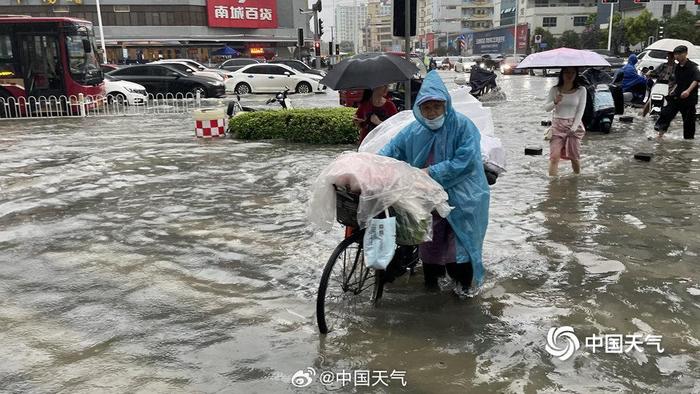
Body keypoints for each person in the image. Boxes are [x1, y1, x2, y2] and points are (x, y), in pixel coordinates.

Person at [378, 71, 490, 298]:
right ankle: (432, 289)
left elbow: (466, 162)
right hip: (427, 196)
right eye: (426, 108)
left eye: (436, 107)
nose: (431, 113)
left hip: (463, 198)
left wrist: (432, 171)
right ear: (419, 108)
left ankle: (464, 291)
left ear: (446, 105)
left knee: (460, 246)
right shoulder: (414, 130)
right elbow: (391, 150)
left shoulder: (463, 127)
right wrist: (373, 166)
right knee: (430, 243)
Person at [543, 67, 587, 176]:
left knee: (574, 157)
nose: (569, 75)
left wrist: (574, 127)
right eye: (567, 72)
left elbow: (580, 111)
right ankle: (552, 187)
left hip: (573, 126)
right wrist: (555, 101)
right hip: (557, 125)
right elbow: (547, 108)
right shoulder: (555, 90)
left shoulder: (581, 90)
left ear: (576, 74)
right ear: (562, 74)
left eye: (573, 72)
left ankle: (575, 180)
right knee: (554, 157)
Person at [654, 45, 700, 140]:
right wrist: (673, 90)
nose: (676, 56)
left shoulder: (693, 67)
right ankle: (660, 134)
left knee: (688, 121)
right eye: (675, 54)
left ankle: (688, 142)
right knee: (666, 113)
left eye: (679, 54)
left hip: (689, 98)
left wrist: (688, 91)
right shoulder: (678, 67)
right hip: (677, 96)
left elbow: (696, 80)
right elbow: (677, 81)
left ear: (685, 54)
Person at [642, 52, 676, 117]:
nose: (668, 59)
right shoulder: (663, 65)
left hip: (670, 86)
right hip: (659, 85)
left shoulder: (677, 68)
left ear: (673, 58)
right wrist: (649, 73)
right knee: (650, 100)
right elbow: (654, 72)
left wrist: (673, 88)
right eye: (668, 57)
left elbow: (678, 80)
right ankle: (643, 116)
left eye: (670, 57)